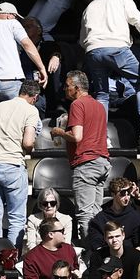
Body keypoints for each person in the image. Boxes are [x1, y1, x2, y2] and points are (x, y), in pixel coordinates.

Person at [79, 0, 140, 127]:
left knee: (101, 94)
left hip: (93, 51)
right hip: (118, 48)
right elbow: (138, 21)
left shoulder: (90, 6)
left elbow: (82, 39)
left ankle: (101, 135)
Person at [0, 80, 40, 242]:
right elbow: (28, 142)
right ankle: (12, 260)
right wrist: (29, 148)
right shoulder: (31, 110)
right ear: (35, 97)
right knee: (16, 218)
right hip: (12, 164)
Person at [48, 71, 110, 235]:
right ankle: (98, 251)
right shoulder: (99, 105)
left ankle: (91, 254)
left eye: (67, 86)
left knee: (84, 214)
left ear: (76, 87)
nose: (65, 89)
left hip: (86, 163)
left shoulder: (77, 104)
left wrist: (59, 131)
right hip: (102, 161)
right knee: (96, 213)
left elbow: (77, 136)